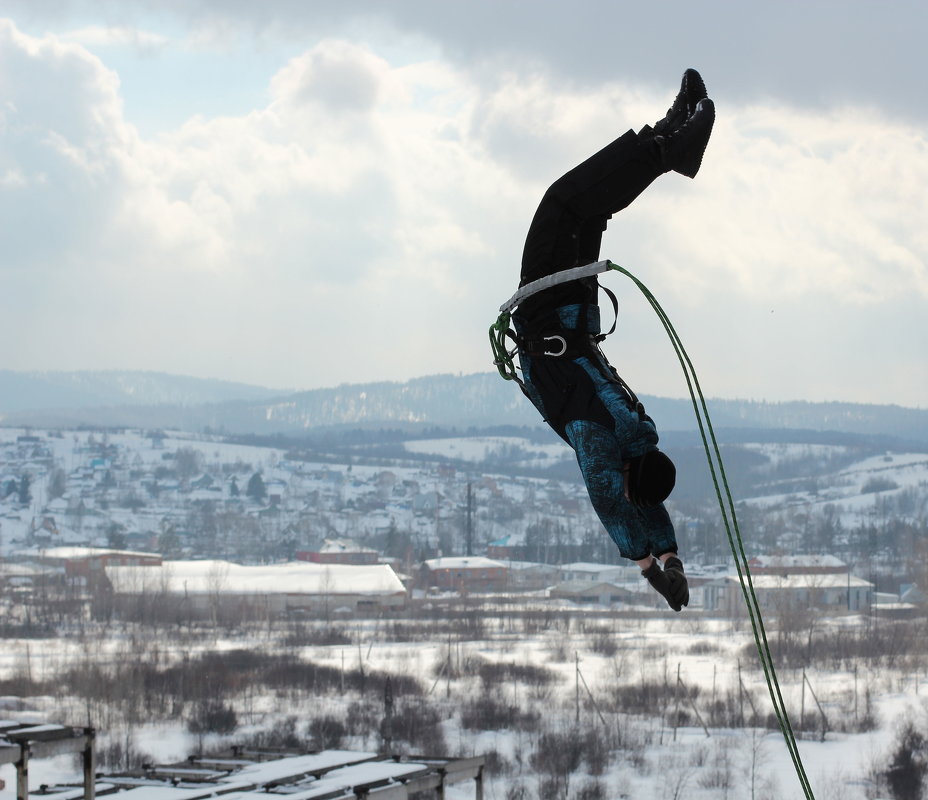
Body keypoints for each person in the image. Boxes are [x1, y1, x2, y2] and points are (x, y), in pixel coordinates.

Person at [509, 69, 715, 611]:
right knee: (563, 203)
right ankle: (669, 146)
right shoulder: (601, 440)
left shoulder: (640, 438)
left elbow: (646, 505)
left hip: (570, 315)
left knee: (584, 207)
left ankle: (668, 137)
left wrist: (673, 559)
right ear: (628, 476)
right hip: (548, 312)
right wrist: (651, 567)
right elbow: (613, 503)